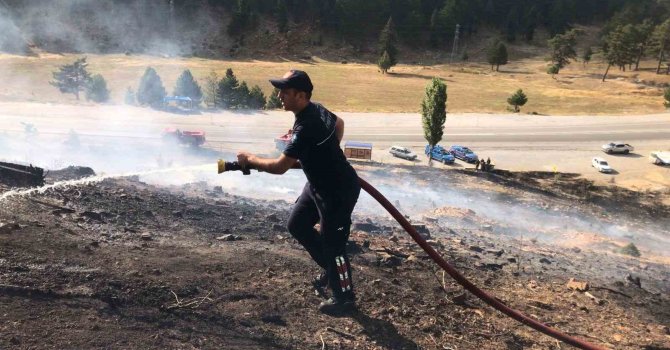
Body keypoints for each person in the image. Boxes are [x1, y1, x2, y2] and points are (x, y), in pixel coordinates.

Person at [236, 70, 361, 314]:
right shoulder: (316, 109)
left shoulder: (306, 125)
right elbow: (339, 124)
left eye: (285, 91)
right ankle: (331, 269)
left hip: (338, 191)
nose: (280, 95)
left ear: (301, 96)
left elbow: (279, 167)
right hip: (318, 186)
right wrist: (324, 155)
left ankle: (345, 299)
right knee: (298, 224)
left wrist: (250, 159)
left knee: (334, 245)